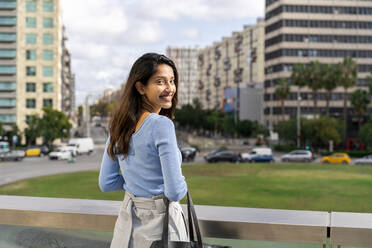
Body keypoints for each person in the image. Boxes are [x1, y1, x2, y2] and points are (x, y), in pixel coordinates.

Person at [99, 53, 188, 248]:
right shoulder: (161, 125)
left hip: (127, 226)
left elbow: (107, 182)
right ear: (140, 87)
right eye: (160, 82)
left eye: (172, 81)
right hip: (160, 227)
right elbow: (174, 191)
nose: (170, 88)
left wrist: (137, 183)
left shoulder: (118, 123)